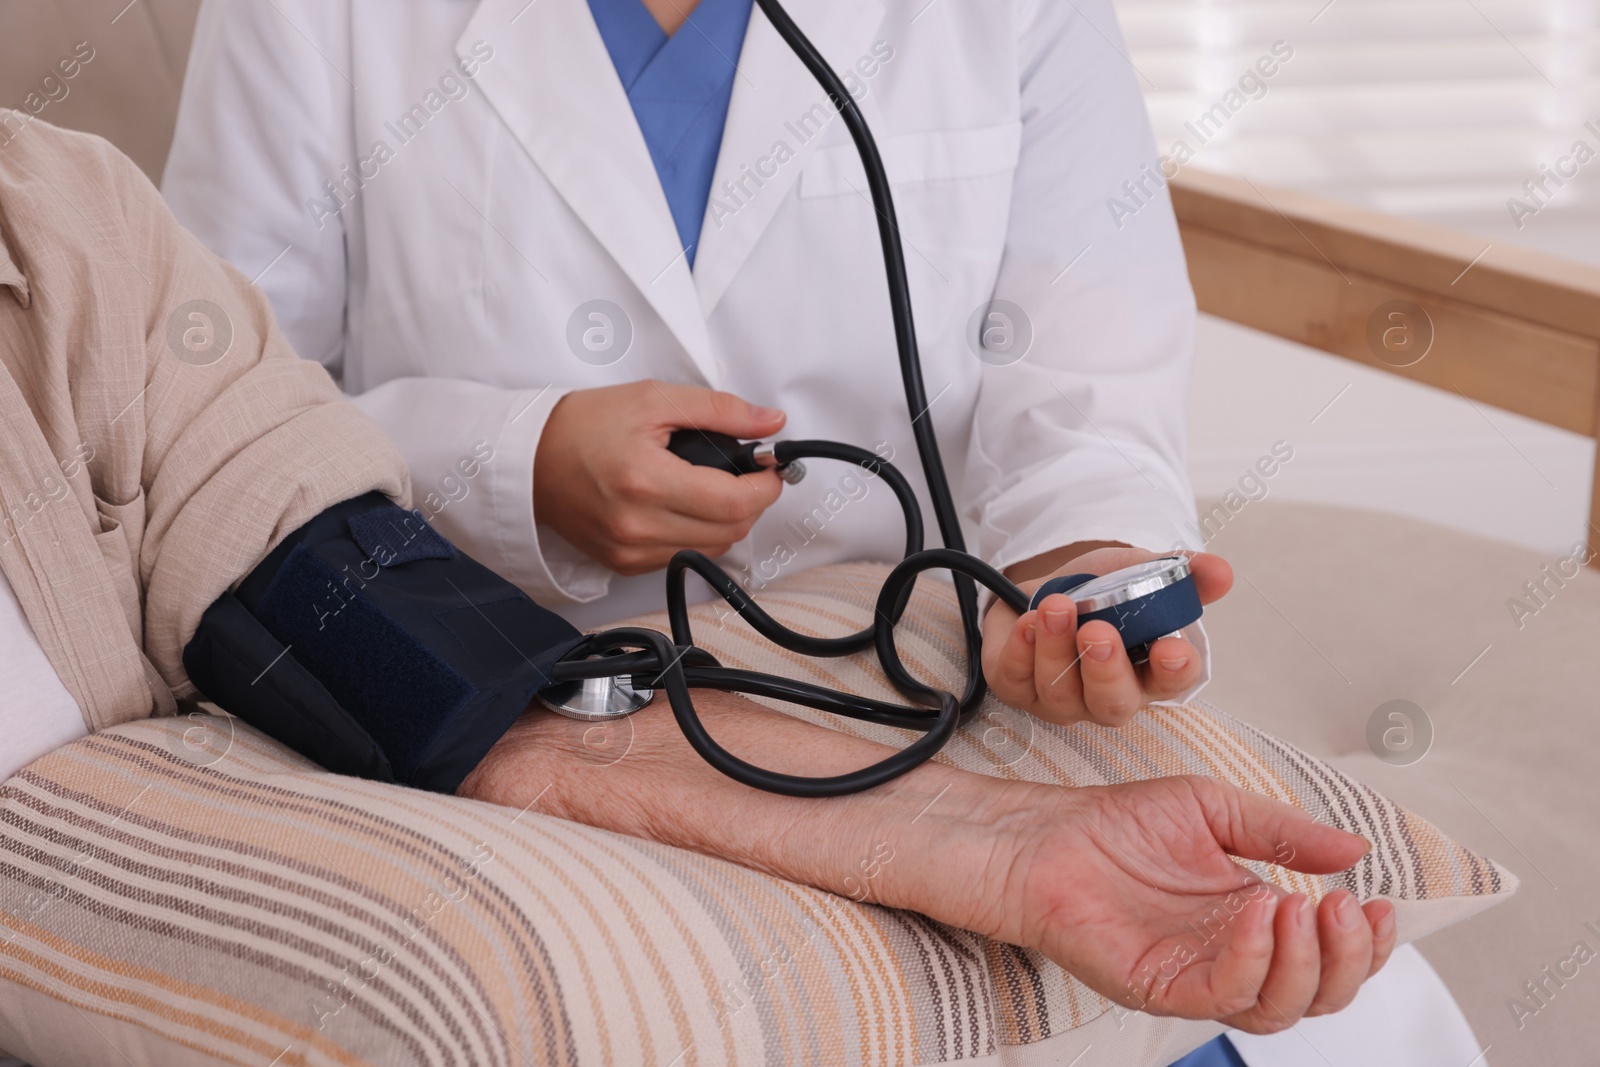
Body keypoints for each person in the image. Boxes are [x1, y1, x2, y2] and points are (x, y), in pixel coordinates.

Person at [0, 115, 1404, 1054]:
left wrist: (1005, 839)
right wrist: (520, 455)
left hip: (762, 661)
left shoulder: (60, 229)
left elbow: (373, 610)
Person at [162, 0, 1222, 734]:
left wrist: (1072, 572)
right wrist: (512, 468)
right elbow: (205, 419)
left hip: (909, 675)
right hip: (507, 684)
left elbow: (1088, 384)